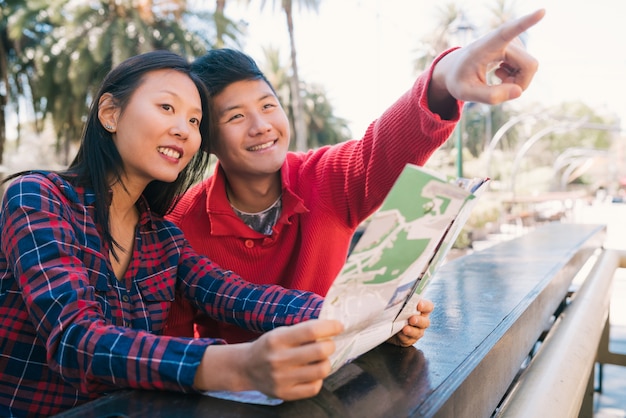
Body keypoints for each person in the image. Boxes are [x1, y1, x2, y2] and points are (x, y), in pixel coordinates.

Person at [0, 50, 427, 417]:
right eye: (167, 108)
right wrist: (236, 364)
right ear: (110, 113)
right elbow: (77, 338)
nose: (183, 129)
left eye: (194, 120)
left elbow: (242, 297)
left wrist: (374, 312)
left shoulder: (162, 237)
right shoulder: (38, 197)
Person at [164, 9, 546, 343]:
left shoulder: (325, 179)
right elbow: (173, 345)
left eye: (268, 105)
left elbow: (384, 147)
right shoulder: (178, 225)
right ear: (206, 138)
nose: (261, 125)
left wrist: (445, 77)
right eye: (236, 116)